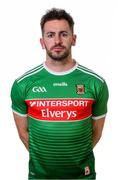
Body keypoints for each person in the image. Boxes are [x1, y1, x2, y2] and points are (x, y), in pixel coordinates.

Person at [10, 8, 109, 179]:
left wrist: (73, 158)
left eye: (63, 34)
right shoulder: (22, 84)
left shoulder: (95, 83)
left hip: (82, 176)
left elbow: (96, 132)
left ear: (74, 39)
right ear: (42, 42)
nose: (57, 40)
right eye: (50, 35)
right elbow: (23, 133)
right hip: (40, 176)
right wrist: (47, 161)